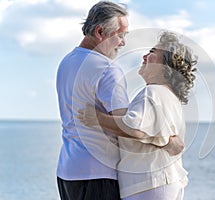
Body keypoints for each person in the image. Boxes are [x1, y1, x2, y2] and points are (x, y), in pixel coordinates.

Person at [56, 1, 184, 200]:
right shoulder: (107, 69)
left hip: (67, 170)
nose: (123, 43)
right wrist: (168, 141)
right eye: (121, 35)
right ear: (100, 32)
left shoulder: (66, 63)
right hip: (98, 173)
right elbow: (126, 126)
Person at [78, 32, 197, 200]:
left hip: (149, 184)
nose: (145, 56)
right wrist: (167, 141)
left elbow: (136, 129)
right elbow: (155, 133)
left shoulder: (153, 92)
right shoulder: (169, 96)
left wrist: (95, 118)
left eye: (153, 52)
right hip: (163, 182)